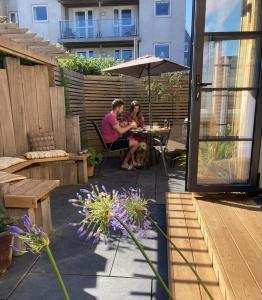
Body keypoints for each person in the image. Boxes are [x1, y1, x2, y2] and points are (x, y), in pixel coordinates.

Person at [101, 98, 139, 170]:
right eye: (121, 108)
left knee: (131, 139)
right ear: (117, 108)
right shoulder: (111, 117)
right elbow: (121, 131)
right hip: (112, 143)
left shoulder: (111, 115)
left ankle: (132, 161)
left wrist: (127, 123)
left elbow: (119, 124)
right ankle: (124, 163)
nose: (122, 110)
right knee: (136, 143)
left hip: (112, 140)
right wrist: (130, 126)